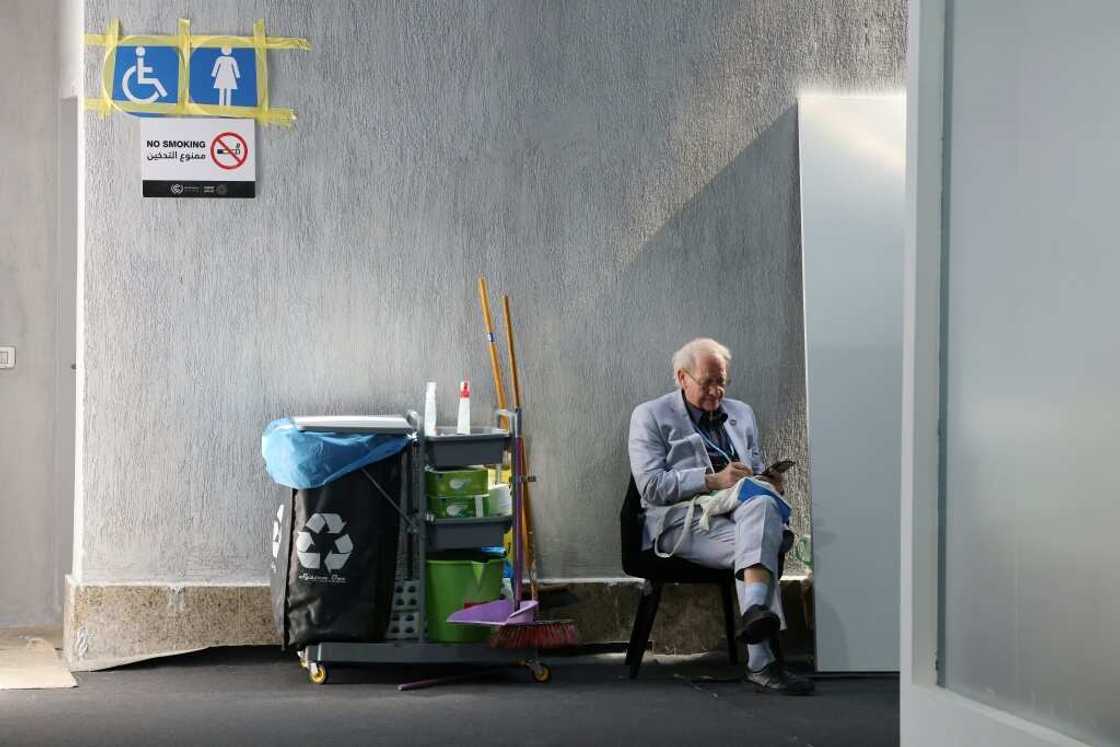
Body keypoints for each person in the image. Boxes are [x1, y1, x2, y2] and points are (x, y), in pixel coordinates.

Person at [628, 337, 813, 695]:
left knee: (760, 508)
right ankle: (763, 661)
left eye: (721, 381)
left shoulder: (741, 413)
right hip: (685, 522)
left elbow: (755, 466)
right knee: (759, 543)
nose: (716, 391)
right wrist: (712, 480)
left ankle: (756, 614)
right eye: (707, 382)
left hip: (742, 513)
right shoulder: (649, 415)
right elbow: (650, 487)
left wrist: (767, 479)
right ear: (682, 377)